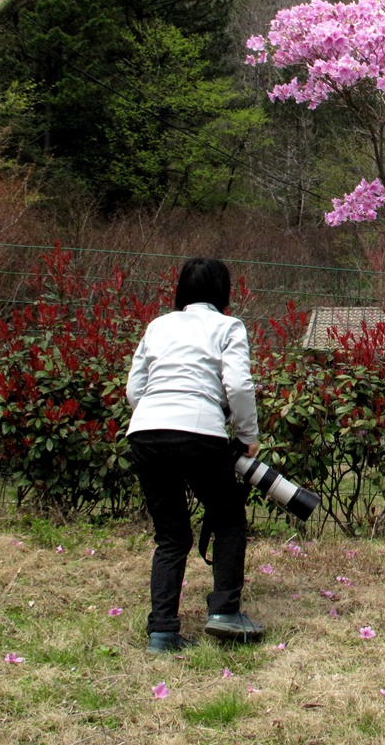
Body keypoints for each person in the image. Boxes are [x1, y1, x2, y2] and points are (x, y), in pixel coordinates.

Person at [126, 257, 265, 652]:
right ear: (224, 293)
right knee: (228, 519)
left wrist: (158, 410)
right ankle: (224, 613)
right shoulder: (227, 325)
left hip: (146, 432)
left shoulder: (158, 325)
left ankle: (163, 633)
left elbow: (135, 390)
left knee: (171, 536)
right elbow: (238, 385)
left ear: (181, 290)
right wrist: (247, 434)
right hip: (199, 430)